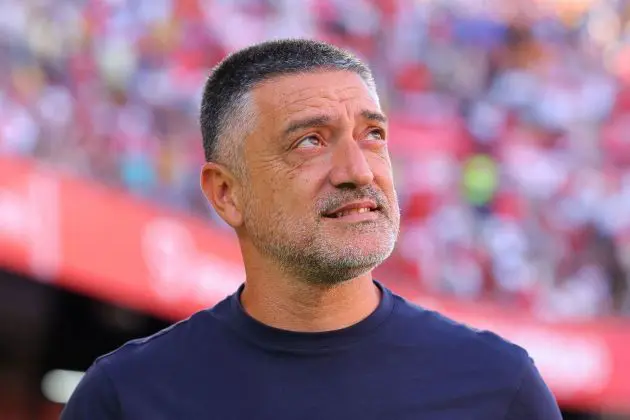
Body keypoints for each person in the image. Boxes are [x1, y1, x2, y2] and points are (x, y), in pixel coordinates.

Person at [61, 39, 562, 420]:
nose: (359, 170)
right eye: (310, 141)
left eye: (372, 135)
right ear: (226, 193)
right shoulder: (125, 396)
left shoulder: (499, 387)